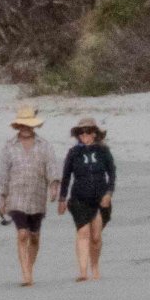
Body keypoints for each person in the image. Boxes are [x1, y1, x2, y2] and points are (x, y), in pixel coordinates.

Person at [0, 107, 55, 286]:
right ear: (18, 125)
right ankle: (26, 274)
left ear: (33, 126)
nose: (25, 128)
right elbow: (4, 173)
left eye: (28, 124)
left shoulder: (45, 146)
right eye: (22, 124)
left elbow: (51, 167)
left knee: (34, 236)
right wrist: (2, 198)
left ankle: (29, 268)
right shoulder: (9, 146)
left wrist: (54, 185)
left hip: (37, 196)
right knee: (22, 234)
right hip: (16, 196)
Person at [57, 118, 117, 283]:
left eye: (88, 131)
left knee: (96, 237)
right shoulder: (73, 152)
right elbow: (66, 176)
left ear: (95, 133)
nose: (85, 135)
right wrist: (62, 199)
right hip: (79, 199)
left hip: (100, 198)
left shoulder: (103, 151)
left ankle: (95, 267)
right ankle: (83, 271)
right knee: (83, 233)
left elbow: (112, 173)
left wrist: (109, 193)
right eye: (81, 132)